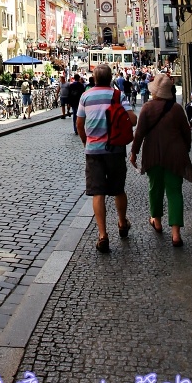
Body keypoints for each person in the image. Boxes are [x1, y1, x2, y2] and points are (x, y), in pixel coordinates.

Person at [76, 63, 137, 253]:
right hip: (116, 149)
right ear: (110, 78)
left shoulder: (85, 96)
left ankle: (102, 235)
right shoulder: (118, 95)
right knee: (118, 189)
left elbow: (79, 123)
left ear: (94, 78)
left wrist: (86, 142)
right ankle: (121, 223)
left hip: (94, 151)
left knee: (98, 192)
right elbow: (132, 119)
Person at [129, 72, 192, 247]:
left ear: (155, 91)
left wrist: (134, 153)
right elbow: (186, 133)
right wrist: (186, 149)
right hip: (174, 155)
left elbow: (139, 134)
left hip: (153, 155)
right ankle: (176, 234)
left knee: (155, 188)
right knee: (174, 192)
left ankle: (156, 221)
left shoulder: (147, 108)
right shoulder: (177, 109)